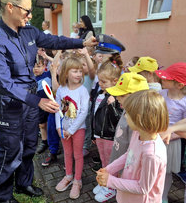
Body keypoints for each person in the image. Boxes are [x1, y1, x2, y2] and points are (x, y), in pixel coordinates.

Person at [0, 0, 97, 203]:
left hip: (30, 100)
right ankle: (2, 196)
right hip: (11, 104)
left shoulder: (29, 31)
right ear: (10, 7)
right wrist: (38, 102)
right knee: (10, 151)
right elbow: (5, 83)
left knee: (28, 145)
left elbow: (55, 40)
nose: (29, 15)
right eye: (26, 10)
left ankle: (24, 183)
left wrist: (81, 41)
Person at [96, 90, 169, 203]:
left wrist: (110, 181)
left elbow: (143, 188)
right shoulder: (137, 133)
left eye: (127, 113)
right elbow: (128, 154)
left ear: (138, 119)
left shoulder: (152, 154)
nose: (124, 116)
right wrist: (109, 169)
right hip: (128, 196)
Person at [155, 62, 186, 203]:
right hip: (155, 137)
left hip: (170, 142)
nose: (163, 79)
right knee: (153, 168)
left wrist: (168, 135)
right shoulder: (160, 94)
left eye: (167, 78)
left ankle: (162, 196)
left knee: (165, 173)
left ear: (179, 85)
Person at [54, 57, 89, 199]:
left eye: (80, 71)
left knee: (77, 155)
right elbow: (58, 109)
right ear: (66, 73)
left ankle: (77, 180)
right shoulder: (61, 90)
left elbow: (84, 112)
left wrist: (71, 130)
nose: (79, 74)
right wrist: (58, 127)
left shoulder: (83, 91)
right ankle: (68, 176)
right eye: (75, 71)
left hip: (77, 130)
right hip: (64, 130)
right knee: (67, 154)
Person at [90, 54, 123, 202]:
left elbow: (119, 120)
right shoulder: (100, 93)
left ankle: (111, 187)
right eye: (99, 80)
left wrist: (112, 106)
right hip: (100, 135)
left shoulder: (117, 98)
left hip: (110, 136)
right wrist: (93, 134)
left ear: (115, 81)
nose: (100, 84)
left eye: (104, 81)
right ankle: (104, 183)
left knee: (111, 163)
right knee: (103, 160)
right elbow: (94, 114)